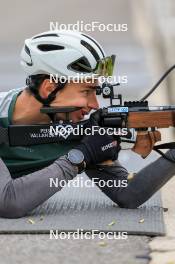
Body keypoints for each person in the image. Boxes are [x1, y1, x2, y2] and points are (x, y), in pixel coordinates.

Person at [0, 30, 175, 219]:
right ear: (49, 88)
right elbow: (9, 203)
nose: (95, 105)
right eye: (86, 92)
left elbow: (128, 194)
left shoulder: (74, 126)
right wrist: (79, 157)